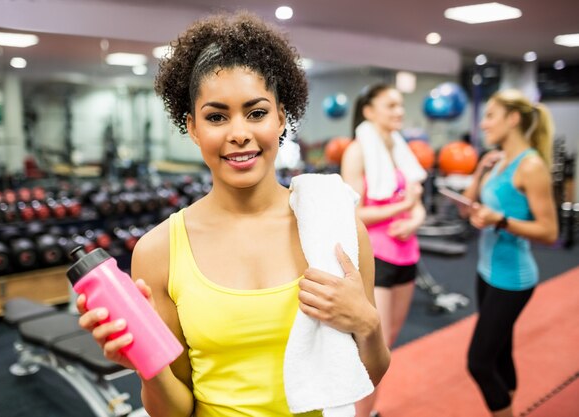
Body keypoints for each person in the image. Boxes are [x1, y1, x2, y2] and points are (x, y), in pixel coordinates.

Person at [77, 12, 390, 417]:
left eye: (256, 113)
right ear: (192, 127)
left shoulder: (337, 231)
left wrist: (367, 324)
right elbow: (173, 410)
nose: (238, 132)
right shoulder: (159, 252)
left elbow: (371, 372)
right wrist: (147, 366)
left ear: (281, 117)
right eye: (216, 116)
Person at [462, 89, 558, 417]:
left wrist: (499, 219)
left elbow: (549, 232)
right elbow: (470, 207)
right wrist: (478, 172)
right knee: (501, 352)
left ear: (513, 119)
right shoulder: (498, 159)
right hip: (486, 272)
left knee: (478, 362)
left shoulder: (530, 165)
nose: (484, 124)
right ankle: (511, 407)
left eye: (491, 116)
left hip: (513, 278)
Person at [341, 84, 427, 417]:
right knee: (374, 347)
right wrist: (401, 208)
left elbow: (416, 205)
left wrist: (413, 219)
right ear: (369, 110)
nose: (399, 112)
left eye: (400, 105)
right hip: (377, 258)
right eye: (390, 105)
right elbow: (355, 211)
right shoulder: (357, 151)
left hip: (408, 255)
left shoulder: (399, 149)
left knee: (389, 339)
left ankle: (369, 410)